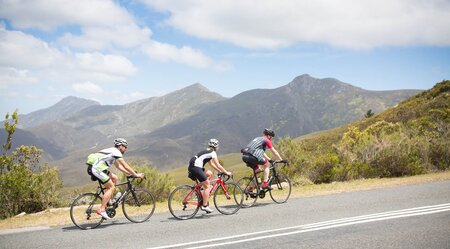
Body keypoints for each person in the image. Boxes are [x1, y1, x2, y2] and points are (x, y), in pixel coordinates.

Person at [86, 138, 144, 220]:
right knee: (111, 187)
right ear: (120, 146)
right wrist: (136, 175)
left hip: (97, 168)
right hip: (97, 169)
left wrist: (130, 174)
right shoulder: (116, 152)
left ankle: (110, 201)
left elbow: (119, 166)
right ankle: (101, 209)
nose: (126, 149)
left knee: (114, 178)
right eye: (125, 147)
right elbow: (125, 165)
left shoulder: (113, 152)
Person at [188, 138, 232, 213]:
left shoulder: (207, 151)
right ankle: (204, 206)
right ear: (216, 147)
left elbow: (211, 164)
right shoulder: (213, 153)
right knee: (207, 185)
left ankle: (202, 190)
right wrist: (226, 172)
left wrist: (219, 171)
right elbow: (218, 164)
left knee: (209, 173)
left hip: (194, 165)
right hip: (196, 167)